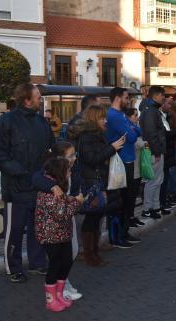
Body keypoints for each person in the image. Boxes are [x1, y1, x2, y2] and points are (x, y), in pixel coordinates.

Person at [0, 83, 54, 283]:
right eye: (38, 96)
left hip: (38, 186)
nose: (41, 99)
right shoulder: (6, 121)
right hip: (16, 188)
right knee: (14, 231)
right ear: (27, 99)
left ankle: (37, 262)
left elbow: (52, 148)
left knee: (38, 228)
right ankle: (13, 268)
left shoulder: (42, 122)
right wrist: (19, 171)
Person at [69, 105, 125, 266]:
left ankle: (93, 253)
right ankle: (90, 255)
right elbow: (92, 159)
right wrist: (112, 148)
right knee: (92, 219)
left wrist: (112, 148)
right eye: (102, 118)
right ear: (94, 119)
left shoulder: (96, 135)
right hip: (91, 182)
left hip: (97, 180)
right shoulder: (87, 137)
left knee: (95, 217)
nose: (105, 120)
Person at [32, 141, 84, 301]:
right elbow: (36, 179)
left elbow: (74, 190)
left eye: (75, 154)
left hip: (66, 220)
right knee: (60, 258)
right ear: (58, 158)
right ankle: (59, 289)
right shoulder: (48, 172)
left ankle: (61, 287)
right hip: (54, 226)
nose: (74, 158)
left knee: (70, 253)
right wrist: (53, 187)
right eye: (70, 156)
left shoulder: (72, 169)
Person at [105, 87, 141, 248]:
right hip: (120, 163)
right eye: (126, 97)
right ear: (118, 98)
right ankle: (117, 236)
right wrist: (132, 129)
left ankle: (124, 232)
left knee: (128, 200)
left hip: (127, 160)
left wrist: (132, 129)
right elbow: (133, 136)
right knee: (121, 202)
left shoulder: (120, 115)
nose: (129, 100)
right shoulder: (114, 116)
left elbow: (137, 130)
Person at [139, 86, 167, 219]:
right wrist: (156, 152)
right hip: (153, 151)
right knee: (152, 181)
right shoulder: (151, 111)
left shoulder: (151, 110)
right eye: (162, 95)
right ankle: (147, 209)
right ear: (155, 96)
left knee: (158, 180)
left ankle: (155, 207)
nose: (164, 98)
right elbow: (151, 133)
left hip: (155, 150)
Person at [125, 108, 146, 228]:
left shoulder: (135, 127)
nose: (137, 117)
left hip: (137, 165)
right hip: (131, 166)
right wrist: (144, 143)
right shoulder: (128, 128)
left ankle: (132, 216)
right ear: (128, 117)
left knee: (133, 194)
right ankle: (129, 217)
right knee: (130, 194)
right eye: (135, 115)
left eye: (137, 115)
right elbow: (135, 143)